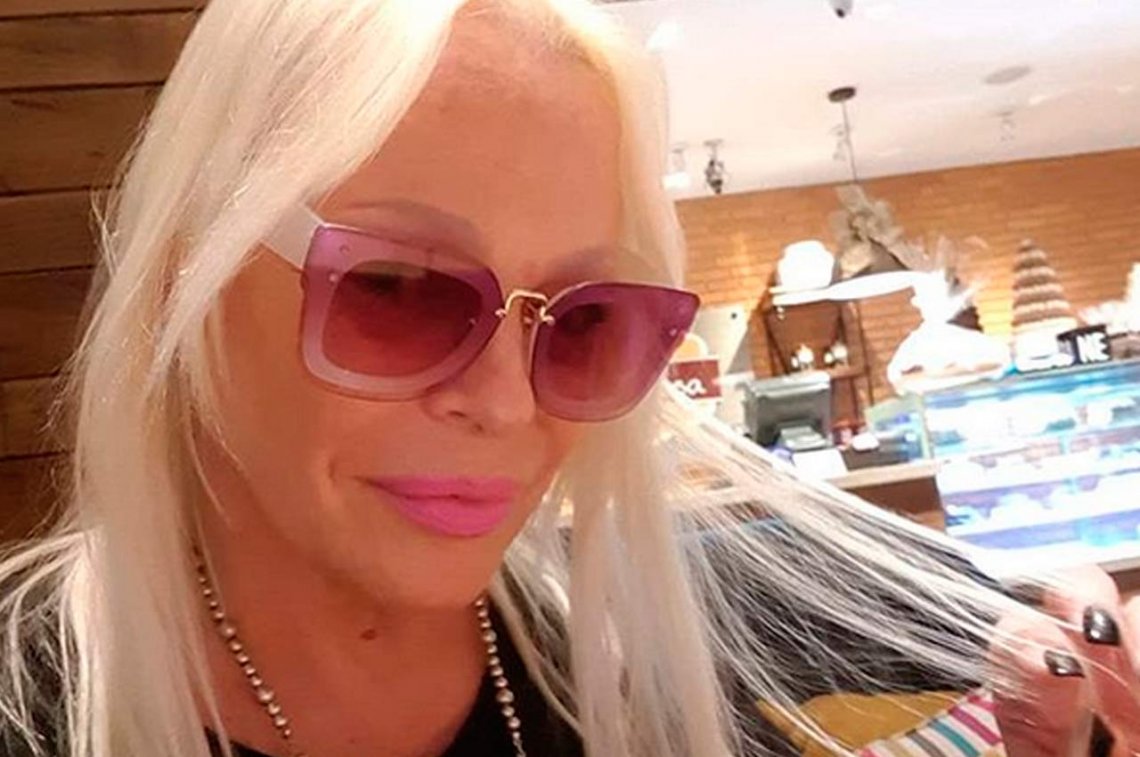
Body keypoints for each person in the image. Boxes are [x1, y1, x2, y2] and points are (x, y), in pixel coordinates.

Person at [0, 1, 1135, 755]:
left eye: (588, 320)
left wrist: (1075, 646)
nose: (508, 403)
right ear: (184, 280)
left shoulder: (666, 623)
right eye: (397, 287)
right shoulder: (32, 697)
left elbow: (1034, 611)